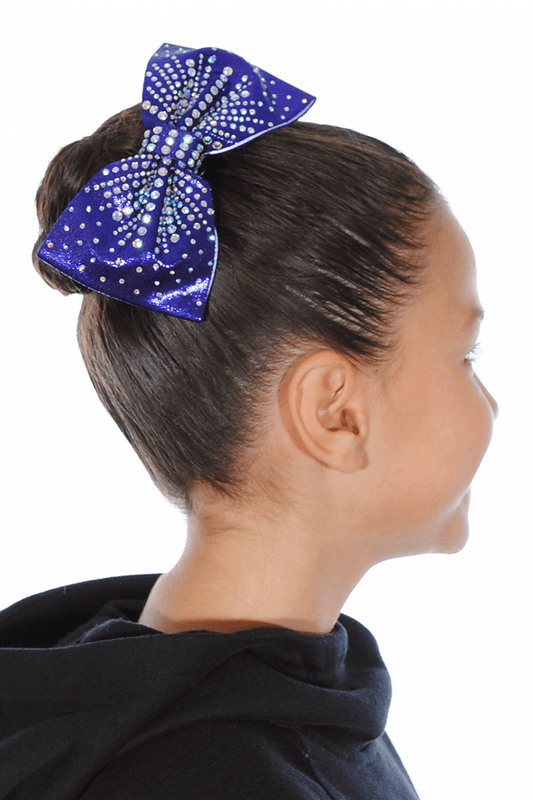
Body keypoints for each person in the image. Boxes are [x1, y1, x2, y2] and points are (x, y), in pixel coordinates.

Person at [0, 43, 498, 799]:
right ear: (334, 412)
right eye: (466, 354)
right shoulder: (216, 774)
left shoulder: (242, 695)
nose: (491, 401)